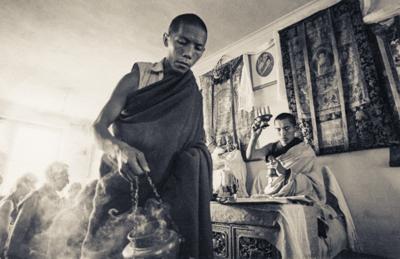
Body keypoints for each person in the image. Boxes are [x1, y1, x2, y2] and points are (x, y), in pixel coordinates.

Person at [82, 13, 213, 259]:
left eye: (198, 48)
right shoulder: (137, 78)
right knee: (103, 252)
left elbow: (197, 143)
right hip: (120, 187)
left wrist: (195, 158)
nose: (188, 53)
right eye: (182, 42)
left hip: (166, 196)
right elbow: (98, 127)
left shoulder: (193, 93)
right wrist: (119, 149)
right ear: (167, 38)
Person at [246, 112, 320, 199]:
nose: (283, 133)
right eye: (278, 129)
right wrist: (254, 137)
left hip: (297, 193)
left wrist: (284, 171)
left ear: (295, 128)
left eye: (287, 128)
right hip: (273, 192)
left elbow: (310, 182)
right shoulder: (272, 147)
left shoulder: (304, 150)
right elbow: (250, 156)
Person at [6, 162, 69, 259]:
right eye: (65, 176)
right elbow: (18, 233)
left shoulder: (56, 200)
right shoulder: (36, 197)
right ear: (54, 177)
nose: (68, 181)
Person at [0, 173, 37, 256]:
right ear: (21, 185)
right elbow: (3, 232)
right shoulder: (9, 203)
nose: (31, 189)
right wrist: (4, 251)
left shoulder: (14, 202)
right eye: (31, 185)